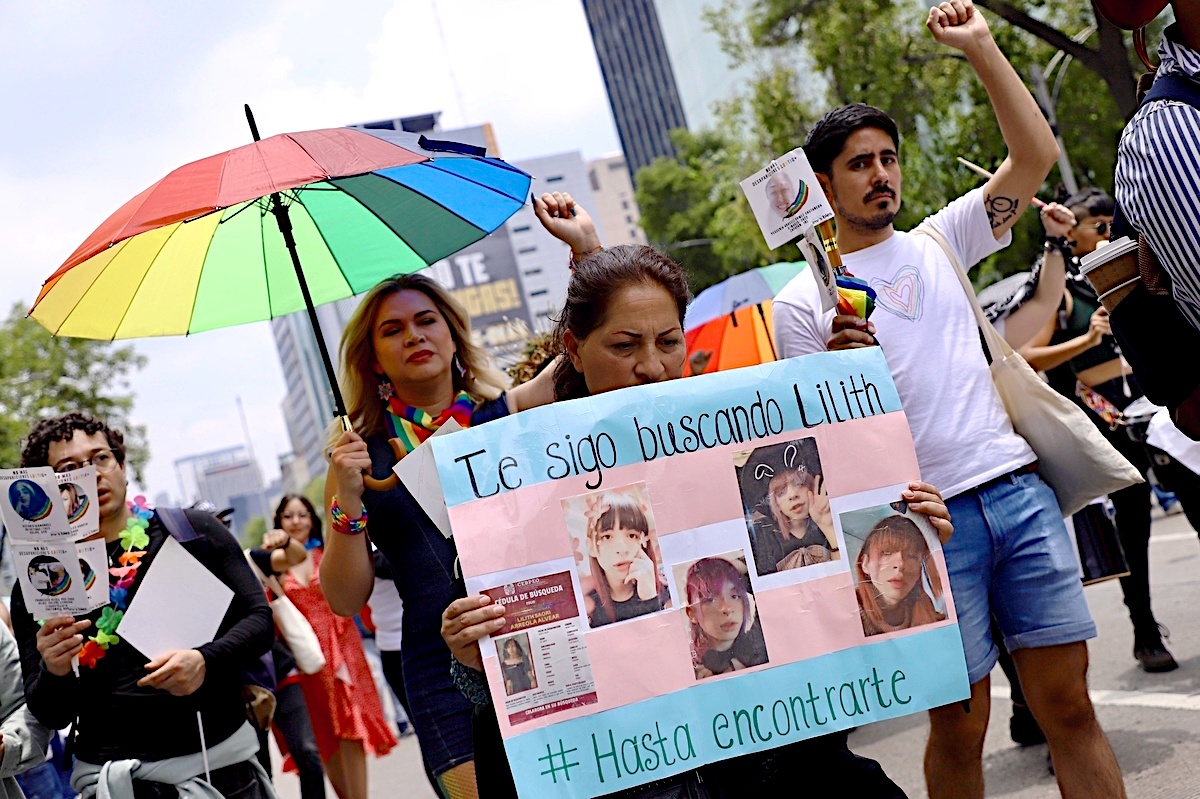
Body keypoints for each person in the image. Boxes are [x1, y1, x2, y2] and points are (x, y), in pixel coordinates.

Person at [441, 192, 955, 798]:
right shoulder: (515, 482)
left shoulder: (735, 434)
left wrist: (904, 526)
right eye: (624, 346)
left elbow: (833, 600)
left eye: (667, 341)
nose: (652, 366)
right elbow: (511, 686)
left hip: (774, 767)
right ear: (575, 351)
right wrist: (473, 660)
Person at [770, 2, 1126, 796]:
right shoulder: (802, 302)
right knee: (960, 724)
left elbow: (1034, 155)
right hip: (916, 526)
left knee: (1068, 703)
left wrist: (980, 46)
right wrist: (838, 371)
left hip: (1016, 493)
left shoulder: (942, 239)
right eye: (860, 163)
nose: (881, 173)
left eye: (888, 157)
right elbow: (818, 449)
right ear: (821, 184)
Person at [321, 272, 556, 799]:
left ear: (453, 334)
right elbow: (343, 597)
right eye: (393, 329)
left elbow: (581, 357)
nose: (414, 336)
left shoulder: (507, 413)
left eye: (427, 321)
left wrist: (582, 252)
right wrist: (348, 497)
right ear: (374, 359)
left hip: (541, 634)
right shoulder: (358, 457)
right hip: (437, 673)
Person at [12, 412, 275, 799]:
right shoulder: (40, 581)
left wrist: (206, 661)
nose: (92, 474)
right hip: (114, 781)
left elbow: (260, 622)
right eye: (69, 468)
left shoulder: (192, 532)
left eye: (100, 458)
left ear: (121, 465)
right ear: (46, 489)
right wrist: (54, 669)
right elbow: (52, 714)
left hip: (220, 771)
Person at [1017, 187, 1200, 672]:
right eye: (1095, 226)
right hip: (1106, 418)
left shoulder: (1134, 262)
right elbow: (1028, 353)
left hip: (1158, 409)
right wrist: (1088, 336)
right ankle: (1143, 629)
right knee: (1133, 524)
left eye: (1108, 224)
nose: (1105, 232)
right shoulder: (1058, 286)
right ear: (1069, 230)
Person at [259, 496, 395, 799]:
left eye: (302, 515)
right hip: (305, 661)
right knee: (324, 733)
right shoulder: (274, 565)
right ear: (278, 522)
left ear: (312, 519)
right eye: (288, 516)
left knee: (351, 724)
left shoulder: (330, 553)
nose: (296, 522)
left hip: (343, 650)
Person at [249, 527, 327, 799]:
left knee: (307, 751)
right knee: (258, 770)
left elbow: (294, 556)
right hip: (240, 687)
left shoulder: (248, 560)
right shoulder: (197, 582)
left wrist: (285, 540)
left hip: (280, 670)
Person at [581, 493, 670, 628]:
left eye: (632, 535)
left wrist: (650, 598)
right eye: (607, 537)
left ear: (643, 541)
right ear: (590, 547)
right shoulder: (587, 606)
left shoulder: (667, 592)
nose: (622, 549)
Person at [854, 516, 946, 636]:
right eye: (887, 552)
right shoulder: (848, 612)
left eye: (912, 556)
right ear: (865, 563)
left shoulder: (927, 611)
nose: (900, 564)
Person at [684, 557, 768, 679]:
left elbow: (764, 577)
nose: (727, 609)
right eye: (711, 599)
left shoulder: (760, 642)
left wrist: (727, 569)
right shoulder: (691, 670)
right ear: (692, 613)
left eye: (735, 596)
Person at [752, 467, 839, 574]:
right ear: (776, 504)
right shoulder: (761, 533)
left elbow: (844, 571)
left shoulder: (832, 517)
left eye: (798, 484)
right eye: (781, 493)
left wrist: (827, 527)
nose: (793, 495)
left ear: (811, 487)